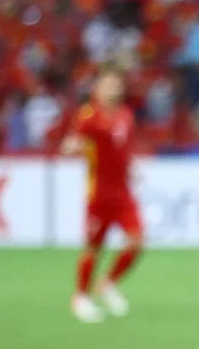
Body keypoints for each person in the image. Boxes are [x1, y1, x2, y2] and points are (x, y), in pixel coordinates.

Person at [60, 68, 142, 323]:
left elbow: (124, 150)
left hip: (123, 193)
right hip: (99, 195)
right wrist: (73, 146)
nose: (112, 89)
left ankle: (107, 284)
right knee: (93, 248)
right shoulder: (89, 116)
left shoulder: (126, 116)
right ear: (97, 89)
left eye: (115, 84)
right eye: (107, 84)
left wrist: (132, 168)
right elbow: (72, 142)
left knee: (137, 241)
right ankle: (81, 297)